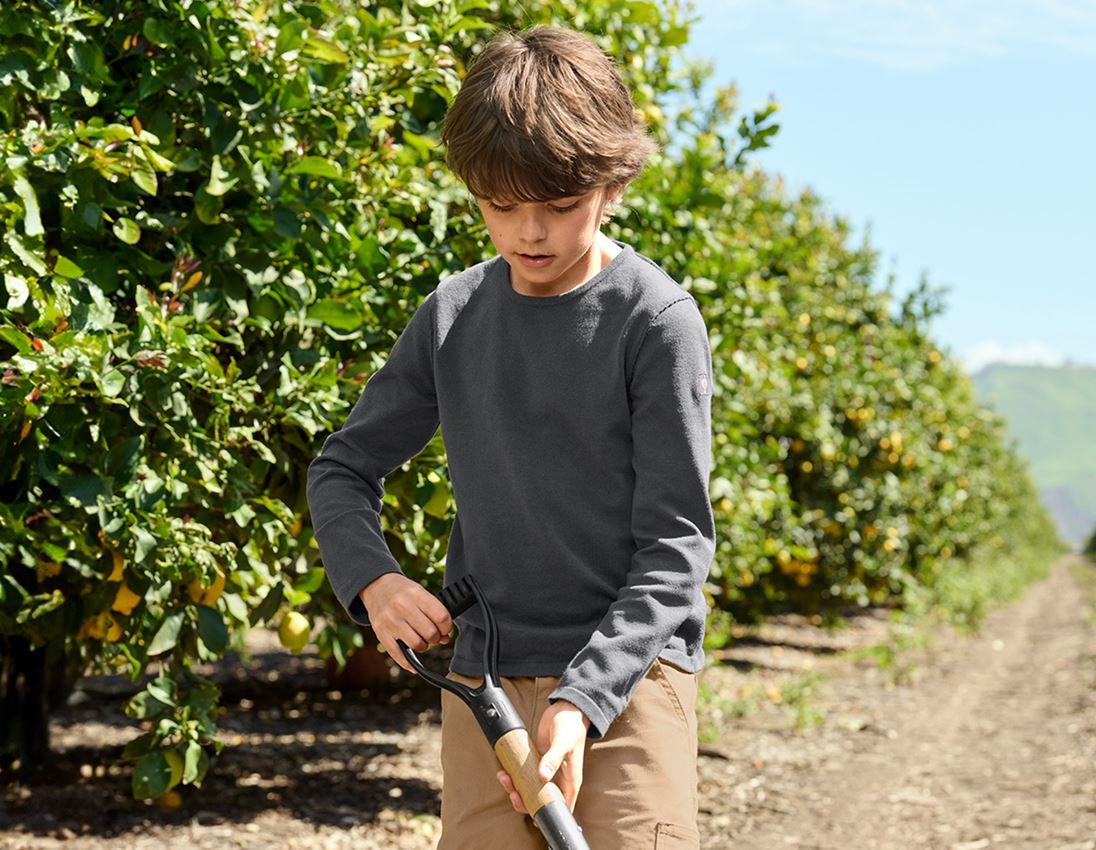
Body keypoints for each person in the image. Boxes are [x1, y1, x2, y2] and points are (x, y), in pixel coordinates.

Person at [306, 24, 715, 849]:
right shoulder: (454, 315)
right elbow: (343, 467)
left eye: (560, 207)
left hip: (630, 681)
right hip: (483, 685)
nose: (531, 233)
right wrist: (375, 584)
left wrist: (584, 700)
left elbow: (676, 544)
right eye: (501, 207)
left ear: (612, 183)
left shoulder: (656, 321)